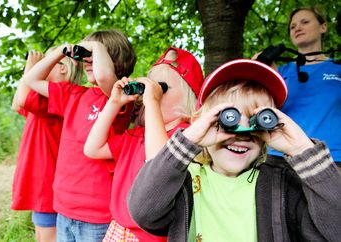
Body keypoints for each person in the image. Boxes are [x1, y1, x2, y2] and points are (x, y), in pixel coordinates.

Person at [128, 59, 341, 242]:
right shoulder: (183, 181)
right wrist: (188, 139)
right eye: (228, 118)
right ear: (199, 122)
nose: (242, 132)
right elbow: (143, 211)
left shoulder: (284, 185)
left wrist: (303, 150)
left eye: (257, 121)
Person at [23, 30, 137, 241]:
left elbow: (104, 76)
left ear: (115, 59)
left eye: (92, 56)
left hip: (96, 215)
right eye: (84, 57)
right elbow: (31, 79)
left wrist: (95, 46)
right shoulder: (74, 95)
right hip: (64, 209)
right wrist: (59, 52)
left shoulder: (119, 96)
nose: (86, 61)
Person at [83, 46, 204, 241]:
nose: (152, 93)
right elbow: (92, 148)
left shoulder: (185, 136)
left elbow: (160, 166)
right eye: (150, 87)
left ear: (189, 95)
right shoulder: (137, 135)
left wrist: (152, 102)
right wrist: (114, 103)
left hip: (152, 236)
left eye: (161, 87)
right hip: (118, 228)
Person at [11, 49, 82, 242]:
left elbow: (21, 99)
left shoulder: (57, 98)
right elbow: (17, 104)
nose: (43, 65)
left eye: (51, 61)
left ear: (64, 70)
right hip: (40, 181)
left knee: (47, 237)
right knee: (42, 236)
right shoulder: (43, 99)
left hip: (47, 182)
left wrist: (30, 67)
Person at [267, 7, 341, 166]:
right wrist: (263, 74)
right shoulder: (280, 71)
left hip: (332, 158)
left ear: (323, 27)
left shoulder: (338, 69)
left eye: (305, 22)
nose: (297, 28)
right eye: (292, 26)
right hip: (281, 160)